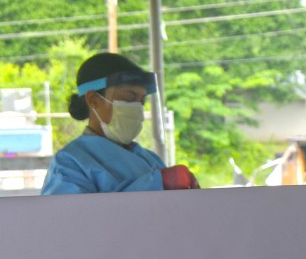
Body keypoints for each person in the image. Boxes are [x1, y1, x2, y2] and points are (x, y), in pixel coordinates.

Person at [41, 52, 198, 194]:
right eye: (129, 98)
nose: (136, 108)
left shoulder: (149, 159)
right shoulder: (71, 163)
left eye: (141, 101)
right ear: (93, 100)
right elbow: (71, 220)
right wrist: (158, 182)